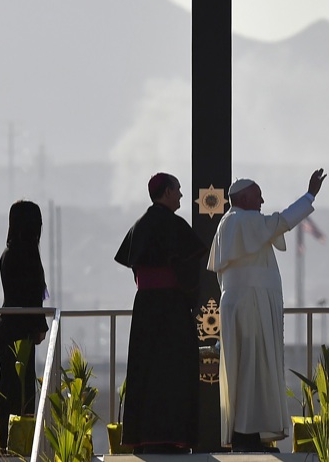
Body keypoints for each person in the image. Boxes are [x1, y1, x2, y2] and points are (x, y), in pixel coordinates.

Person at [208, 168, 326, 452]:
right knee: (252, 368)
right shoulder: (242, 220)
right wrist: (309, 195)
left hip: (242, 305)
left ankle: (248, 432)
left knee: (247, 369)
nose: (262, 202)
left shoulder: (229, 224)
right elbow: (283, 221)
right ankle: (247, 434)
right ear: (244, 197)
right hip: (252, 306)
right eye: (258, 197)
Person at [115, 173, 208, 454]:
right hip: (172, 309)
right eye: (178, 190)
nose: (181, 196)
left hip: (145, 308)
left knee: (146, 372)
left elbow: (136, 268)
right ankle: (173, 437)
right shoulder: (175, 226)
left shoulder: (139, 226)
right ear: (167, 192)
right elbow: (190, 272)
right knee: (174, 372)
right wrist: (190, 297)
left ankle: (145, 439)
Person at [0, 200, 49, 451]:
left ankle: (8, 443)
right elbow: (31, 296)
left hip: (9, 327)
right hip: (21, 329)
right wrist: (40, 326)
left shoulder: (9, 253)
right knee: (24, 387)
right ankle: (22, 444)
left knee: (9, 384)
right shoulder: (27, 255)